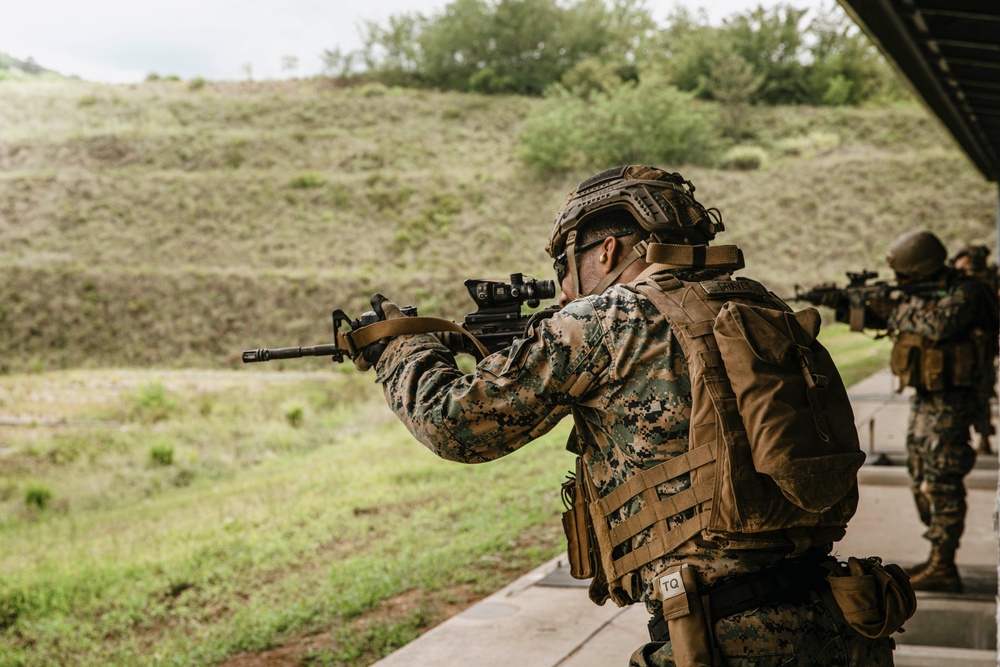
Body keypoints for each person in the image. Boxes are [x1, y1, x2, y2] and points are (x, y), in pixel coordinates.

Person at [359, 166, 897, 665]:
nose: (565, 290)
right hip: (839, 619)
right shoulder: (762, 306)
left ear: (608, 249)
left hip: (728, 641)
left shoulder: (608, 319)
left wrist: (402, 350)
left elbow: (451, 424)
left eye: (563, 269)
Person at [824, 230, 998, 593]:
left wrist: (892, 305)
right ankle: (937, 555)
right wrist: (846, 305)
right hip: (928, 398)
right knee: (920, 471)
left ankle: (943, 564)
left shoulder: (966, 292)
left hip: (955, 399)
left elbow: (938, 324)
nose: (901, 284)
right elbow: (886, 319)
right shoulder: (924, 293)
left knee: (942, 477)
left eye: (906, 278)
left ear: (922, 270)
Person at [949, 244, 999, 454]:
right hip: (968, 351)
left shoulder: (979, 284)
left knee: (982, 395)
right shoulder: (970, 282)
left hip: (980, 350)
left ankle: (984, 437)